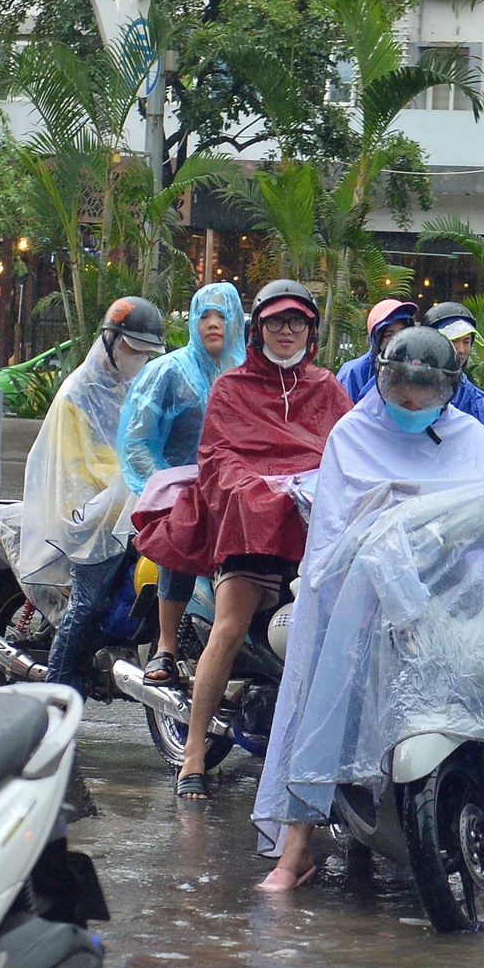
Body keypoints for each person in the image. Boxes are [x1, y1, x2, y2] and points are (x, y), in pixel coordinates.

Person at [254, 326, 484, 888]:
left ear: (448, 390)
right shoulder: (351, 436)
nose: (413, 405)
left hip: (451, 599)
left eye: (426, 397)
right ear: (382, 380)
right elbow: (328, 538)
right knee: (316, 690)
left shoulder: (472, 438)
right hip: (365, 601)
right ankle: (296, 847)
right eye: (402, 394)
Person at [130, 280, 352, 802]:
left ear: (312, 330)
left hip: (316, 535)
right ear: (257, 329)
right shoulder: (230, 387)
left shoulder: (329, 388)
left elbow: (353, 452)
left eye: (296, 321)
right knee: (227, 629)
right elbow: (218, 456)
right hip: (252, 527)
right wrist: (258, 490)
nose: (286, 330)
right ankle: (193, 756)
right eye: (276, 322)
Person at [15, 297, 166, 692]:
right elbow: (73, 470)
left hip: (130, 508)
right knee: (88, 605)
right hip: (86, 519)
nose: (140, 357)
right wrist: (122, 484)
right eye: (133, 348)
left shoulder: (135, 387)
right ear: (110, 339)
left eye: (147, 352)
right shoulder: (75, 395)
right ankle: (58, 694)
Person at [118, 283, 246, 683]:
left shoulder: (247, 375)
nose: (212, 324)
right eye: (204, 315)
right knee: (183, 535)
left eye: (221, 316)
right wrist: (164, 488)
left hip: (232, 489)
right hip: (180, 489)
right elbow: (137, 440)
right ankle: (166, 647)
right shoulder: (168, 372)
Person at [419, 301, 484, 442]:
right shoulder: (404, 389)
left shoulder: (477, 401)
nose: (461, 349)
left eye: (466, 341)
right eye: (453, 340)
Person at [337, 297, 418, 402]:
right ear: (377, 340)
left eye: (403, 332)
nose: (399, 339)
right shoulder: (353, 373)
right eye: (389, 335)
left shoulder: (417, 366)